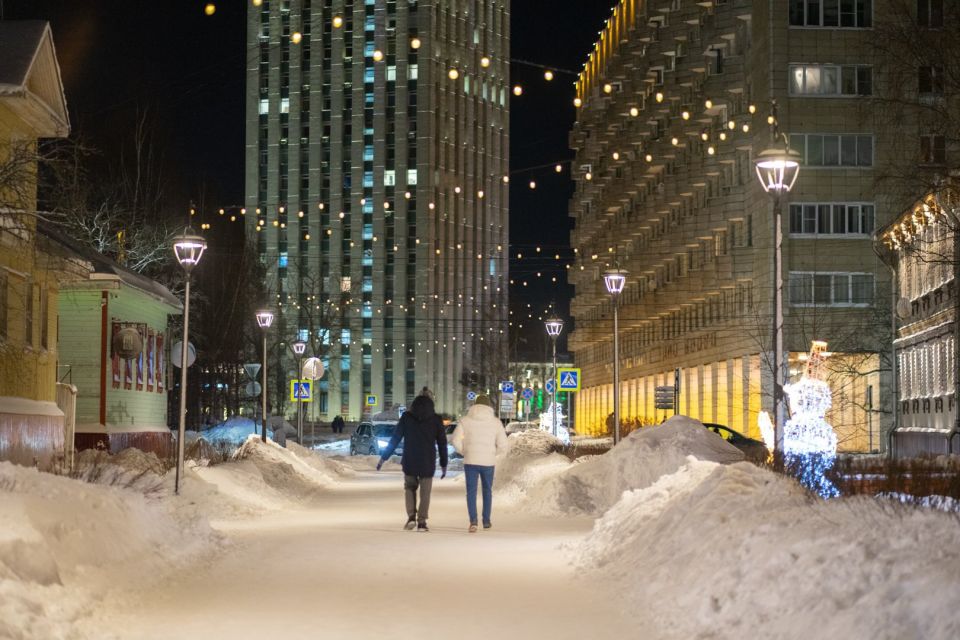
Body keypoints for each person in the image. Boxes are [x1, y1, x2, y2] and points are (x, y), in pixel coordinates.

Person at [376, 394, 448, 531]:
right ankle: (422, 522)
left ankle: (411, 517)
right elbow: (442, 443)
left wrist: (383, 458)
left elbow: (395, 439)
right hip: (427, 460)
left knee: (409, 488)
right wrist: (444, 464)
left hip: (410, 459)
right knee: (425, 493)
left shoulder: (407, 418)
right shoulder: (436, 420)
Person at [451, 395, 509, 533]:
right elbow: (503, 444)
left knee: (471, 492)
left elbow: (455, 440)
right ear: (489, 406)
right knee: (487, 491)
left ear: (475, 405)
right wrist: (494, 453)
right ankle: (487, 521)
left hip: (471, 461)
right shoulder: (496, 422)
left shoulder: (465, 421)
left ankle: (473, 522)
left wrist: (464, 451)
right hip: (488, 462)